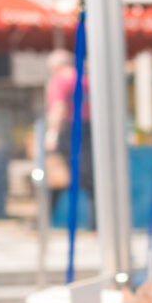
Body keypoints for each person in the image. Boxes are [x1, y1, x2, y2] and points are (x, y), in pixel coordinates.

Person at [44, 48, 94, 222]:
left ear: (55, 66)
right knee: (91, 177)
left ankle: (43, 219)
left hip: (70, 128)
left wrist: (51, 134)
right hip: (90, 128)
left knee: (56, 172)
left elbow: (59, 108)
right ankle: (95, 223)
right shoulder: (86, 79)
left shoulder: (60, 80)